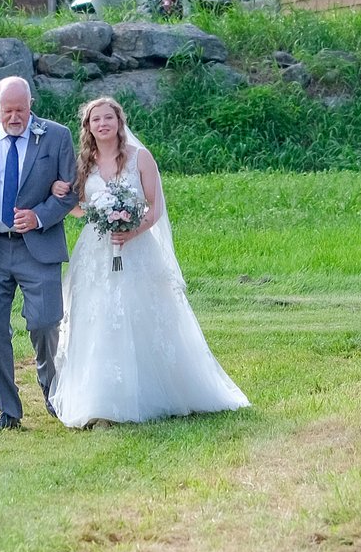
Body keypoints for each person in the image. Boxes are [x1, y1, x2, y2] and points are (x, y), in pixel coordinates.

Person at [45, 95, 248, 428]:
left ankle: (163, 393)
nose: (102, 124)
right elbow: (76, 206)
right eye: (95, 120)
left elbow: (155, 208)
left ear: (119, 121)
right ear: (88, 127)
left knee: (142, 315)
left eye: (108, 118)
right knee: (99, 318)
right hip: (96, 252)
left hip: (137, 249)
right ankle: (101, 405)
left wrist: (131, 230)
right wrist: (81, 206)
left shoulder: (140, 158)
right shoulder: (84, 163)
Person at [0, 75, 79, 429]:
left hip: (38, 248)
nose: (15, 117)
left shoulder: (56, 136)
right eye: (8, 110)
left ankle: (54, 392)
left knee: (44, 322)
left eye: (21, 109)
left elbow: (70, 192)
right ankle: (8, 412)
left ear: (31, 105)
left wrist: (39, 216)